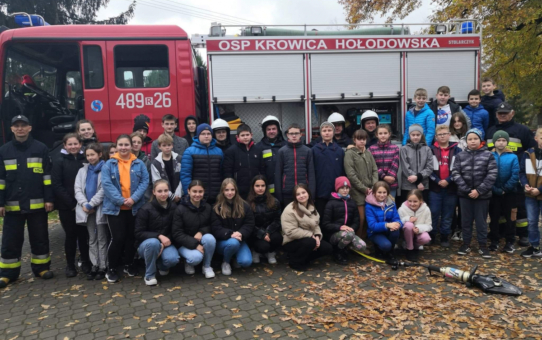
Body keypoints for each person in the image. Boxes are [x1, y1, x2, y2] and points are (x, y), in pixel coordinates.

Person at [0, 115, 55, 288]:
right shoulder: (4, 151)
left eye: (23, 125)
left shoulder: (41, 148)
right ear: (12, 129)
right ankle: (8, 273)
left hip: (37, 204)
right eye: (16, 126)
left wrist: (49, 199)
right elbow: (1, 180)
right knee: (10, 240)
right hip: (12, 205)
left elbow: (47, 177)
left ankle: (41, 268)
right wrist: (0, 203)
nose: (20, 129)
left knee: (39, 238)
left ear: (30, 128)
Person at [102, 134, 150, 283]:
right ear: (116, 146)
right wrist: (121, 200)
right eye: (120, 145)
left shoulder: (139, 163)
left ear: (131, 146)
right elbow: (107, 185)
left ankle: (129, 265)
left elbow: (145, 181)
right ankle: (111, 268)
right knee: (117, 239)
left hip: (135, 208)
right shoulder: (108, 165)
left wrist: (133, 199)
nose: (123, 148)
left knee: (131, 239)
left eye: (126, 145)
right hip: (115, 209)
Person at [486, 102, 535, 247]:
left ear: (512, 113)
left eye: (506, 113)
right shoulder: (490, 131)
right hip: (495, 178)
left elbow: (531, 152)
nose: (502, 115)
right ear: (496, 115)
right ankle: (502, 231)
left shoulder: (523, 130)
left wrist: (527, 174)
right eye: (500, 113)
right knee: (498, 209)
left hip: (516, 177)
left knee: (518, 208)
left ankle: (523, 234)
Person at [452, 128, 497, 259]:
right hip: (465, 195)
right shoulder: (460, 156)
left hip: (482, 196)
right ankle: (466, 244)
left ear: (480, 140)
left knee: (481, 221)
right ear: (466, 141)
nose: (472, 141)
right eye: (470, 139)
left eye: (475, 139)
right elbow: (455, 173)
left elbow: (492, 174)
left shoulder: (488, 155)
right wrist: (467, 190)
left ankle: (482, 246)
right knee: (465, 221)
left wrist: (479, 190)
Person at [52, 133, 90, 277]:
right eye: (70, 144)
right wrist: (72, 203)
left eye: (76, 144)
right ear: (65, 146)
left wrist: (83, 203)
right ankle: (70, 266)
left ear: (80, 144)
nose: (73, 147)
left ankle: (86, 263)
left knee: (84, 236)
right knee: (70, 236)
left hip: (84, 204)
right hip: (67, 206)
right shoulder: (59, 161)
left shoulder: (85, 158)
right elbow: (57, 185)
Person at [134, 180, 179, 286]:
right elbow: (138, 233)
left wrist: (164, 243)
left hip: (166, 243)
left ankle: (161, 266)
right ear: (154, 192)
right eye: (159, 191)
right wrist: (159, 236)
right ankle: (149, 275)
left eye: (166, 191)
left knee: (173, 259)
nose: (163, 194)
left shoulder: (174, 207)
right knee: (153, 243)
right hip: (147, 245)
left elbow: (176, 230)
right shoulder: (145, 209)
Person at [74, 143, 108, 281]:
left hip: (99, 208)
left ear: (99, 154)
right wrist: (84, 204)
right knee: (91, 239)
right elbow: (77, 189)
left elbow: (104, 189)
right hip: (86, 210)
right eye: (88, 155)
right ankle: (94, 264)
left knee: (102, 238)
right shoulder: (82, 170)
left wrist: (91, 203)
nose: (90, 157)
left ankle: (103, 266)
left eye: (92, 154)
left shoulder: (105, 169)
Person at [281, 184, 333, 271]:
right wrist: (310, 235)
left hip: (309, 239)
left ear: (308, 193)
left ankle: (304, 259)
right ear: (295, 197)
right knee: (310, 242)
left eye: (303, 192)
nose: (301, 196)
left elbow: (316, 225)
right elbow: (290, 231)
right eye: (298, 194)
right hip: (291, 241)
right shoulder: (290, 210)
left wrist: (317, 236)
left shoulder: (311, 207)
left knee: (327, 248)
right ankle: (294, 262)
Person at [172, 180, 216, 278]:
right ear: (188, 191)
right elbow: (177, 233)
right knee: (195, 258)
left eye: (200, 192)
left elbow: (213, 225)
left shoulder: (208, 207)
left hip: (201, 239)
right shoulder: (180, 209)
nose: (197, 194)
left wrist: (202, 232)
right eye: (194, 191)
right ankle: (187, 261)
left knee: (210, 239)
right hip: (183, 243)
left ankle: (207, 266)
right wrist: (195, 244)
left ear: (204, 192)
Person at [211, 179, 254, 275]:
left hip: (240, 238)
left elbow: (249, 224)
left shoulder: (244, 205)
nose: (229, 193)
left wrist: (241, 233)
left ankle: (234, 257)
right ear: (222, 191)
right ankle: (226, 262)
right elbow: (216, 228)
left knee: (246, 262)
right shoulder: (217, 208)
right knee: (233, 243)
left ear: (236, 190)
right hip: (223, 242)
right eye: (226, 190)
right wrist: (231, 234)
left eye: (232, 190)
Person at [428, 125, 460, 247]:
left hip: (451, 187)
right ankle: (432, 236)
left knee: (448, 214)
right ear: (436, 137)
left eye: (444, 134)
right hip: (435, 188)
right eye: (439, 134)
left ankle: (444, 236)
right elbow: (428, 169)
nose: (442, 136)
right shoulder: (430, 150)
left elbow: (458, 168)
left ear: (449, 135)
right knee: (434, 212)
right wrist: (437, 181)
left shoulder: (457, 150)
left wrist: (448, 180)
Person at [322, 177, 365, 265]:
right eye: (342, 188)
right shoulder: (331, 203)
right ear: (337, 189)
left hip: (349, 233)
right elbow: (325, 224)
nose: (345, 190)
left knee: (362, 246)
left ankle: (344, 247)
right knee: (349, 235)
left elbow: (356, 221)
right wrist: (340, 227)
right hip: (333, 234)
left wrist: (352, 228)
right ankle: (338, 252)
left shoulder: (352, 203)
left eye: (347, 188)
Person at [344, 129, 378, 239]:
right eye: (359, 139)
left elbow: (374, 170)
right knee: (361, 218)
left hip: (371, 191)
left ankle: (364, 241)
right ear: (354, 140)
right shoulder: (350, 154)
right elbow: (351, 174)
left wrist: (374, 186)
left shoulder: (368, 153)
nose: (362, 141)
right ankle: (357, 243)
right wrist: (364, 189)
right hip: (357, 191)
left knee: (369, 219)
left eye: (364, 139)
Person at [489, 130, 519, 253]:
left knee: (510, 218)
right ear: (494, 142)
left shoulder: (513, 157)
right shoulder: (489, 156)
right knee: (494, 217)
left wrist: (506, 188)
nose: (501, 143)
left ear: (507, 142)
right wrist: (495, 189)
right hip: (494, 193)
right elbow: (487, 174)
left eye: (503, 140)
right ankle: (494, 240)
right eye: (498, 140)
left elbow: (515, 174)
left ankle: (510, 241)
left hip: (510, 193)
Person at [181, 124, 224, 205]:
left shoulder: (219, 151)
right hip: (197, 196)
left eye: (209, 134)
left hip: (216, 196)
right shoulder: (189, 151)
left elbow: (221, 173)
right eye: (203, 134)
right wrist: (189, 194)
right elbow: (185, 175)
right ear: (198, 135)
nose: (206, 136)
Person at [275, 123, 315, 207]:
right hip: (287, 193)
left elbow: (311, 174)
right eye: (291, 133)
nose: (294, 136)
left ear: (300, 134)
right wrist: (279, 195)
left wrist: (311, 194)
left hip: (303, 193)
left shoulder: (307, 151)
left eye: (296, 133)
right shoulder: (282, 151)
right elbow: (278, 174)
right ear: (287, 135)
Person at [246, 175, 282, 264]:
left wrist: (268, 232)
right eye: (257, 186)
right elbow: (249, 223)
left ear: (266, 187)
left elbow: (277, 220)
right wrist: (262, 234)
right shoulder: (247, 203)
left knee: (278, 238)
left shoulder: (274, 201)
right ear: (253, 187)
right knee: (263, 246)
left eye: (263, 186)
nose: (260, 188)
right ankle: (256, 252)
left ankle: (271, 253)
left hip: (270, 232)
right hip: (255, 234)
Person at [312, 121, 345, 216]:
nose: (327, 133)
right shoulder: (314, 150)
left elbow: (343, 171)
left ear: (334, 133)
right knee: (320, 216)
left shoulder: (339, 151)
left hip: (335, 191)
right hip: (320, 191)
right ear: (320, 133)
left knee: (334, 216)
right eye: (324, 130)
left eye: (329, 130)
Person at [519, 127, 542, 258]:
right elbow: (522, 172)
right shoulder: (528, 154)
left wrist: (539, 190)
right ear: (536, 138)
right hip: (530, 194)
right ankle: (535, 247)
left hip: (539, 191)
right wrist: (525, 184)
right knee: (532, 221)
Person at [365, 181, 402, 260]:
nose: (382, 195)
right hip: (374, 232)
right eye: (379, 192)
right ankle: (379, 248)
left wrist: (398, 224)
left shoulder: (391, 203)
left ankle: (390, 251)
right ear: (374, 193)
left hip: (388, 230)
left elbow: (396, 218)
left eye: (384, 192)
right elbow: (372, 225)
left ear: (388, 193)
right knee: (386, 245)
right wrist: (387, 225)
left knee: (396, 231)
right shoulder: (369, 206)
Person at [224, 124, 262, 199]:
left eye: (247, 135)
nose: (245, 137)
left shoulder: (257, 150)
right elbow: (227, 171)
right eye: (242, 135)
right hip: (238, 190)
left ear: (251, 135)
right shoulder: (231, 151)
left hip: (255, 189)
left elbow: (262, 169)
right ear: (237, 137)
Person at [398, 124, 433, 207]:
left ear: (421, 135)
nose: (415, 137)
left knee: (422, 209)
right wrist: (417, 182)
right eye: (413, 135)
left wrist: (418, 178)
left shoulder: (427, 149)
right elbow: (405, 168)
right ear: (409, 135)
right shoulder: (404, 149)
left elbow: (429, 167)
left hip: (423, 186)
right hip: (408, 186)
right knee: (408, 209)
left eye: (418, 135)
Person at [254, 115, 285, 198]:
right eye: (268, 129)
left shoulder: (285, 146)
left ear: (278, 130)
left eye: (274, 129)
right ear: (265, 131)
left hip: (284, 189)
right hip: (266, 191)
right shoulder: (258, 147)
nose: (271, 131)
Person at [398, 189, 432, 261]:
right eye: (410, 201)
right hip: (406, 233)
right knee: (409, 225)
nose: (412, 204)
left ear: (420, 201)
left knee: (426, 238)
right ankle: (409, 249)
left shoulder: (426, 209)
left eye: (415, 201)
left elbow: (429, 225)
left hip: (418, 233)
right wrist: (407, 219)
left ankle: (416, 247)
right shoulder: (402, 209)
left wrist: (418, 228)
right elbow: (398, 222)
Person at [368, 124, 400, 198]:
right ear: (376, 135)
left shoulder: (395, 148)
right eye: (380, 133)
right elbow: (373, 165)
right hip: (377, 183)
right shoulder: (371, 149)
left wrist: (389, 177)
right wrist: (384, 176)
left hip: (391, 183)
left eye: (385, 133)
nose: (383, 135)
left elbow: (395, 164)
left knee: (390, 205)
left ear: (389, 134)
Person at [150, 133, 182, 202]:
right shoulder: (156, 163)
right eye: (164, 145)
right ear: (159, 147)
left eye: (169, 145)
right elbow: (156, 181)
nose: (167, 147)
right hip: (164, 197)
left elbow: (183, 177)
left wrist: (178, 194)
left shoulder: (179, 159)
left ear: (172, 145)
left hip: (180, 196)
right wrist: (171, 196)